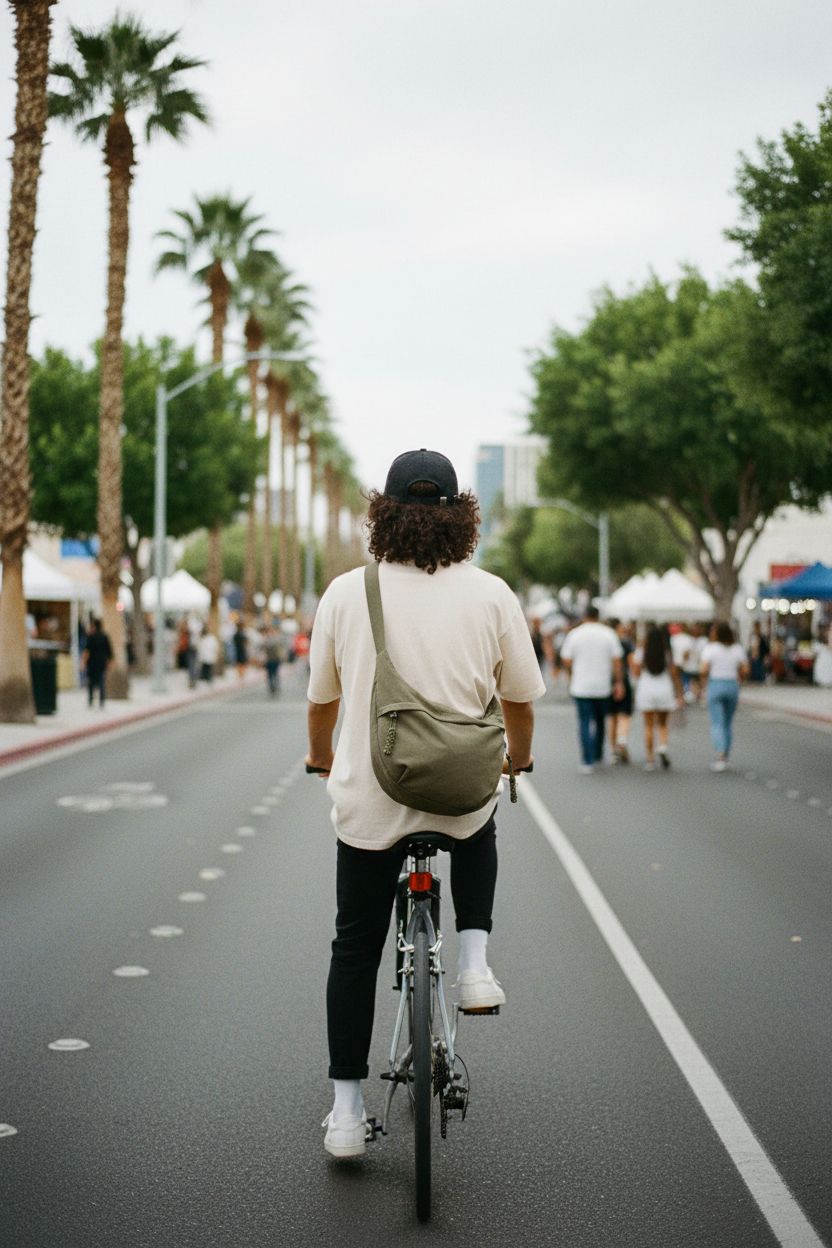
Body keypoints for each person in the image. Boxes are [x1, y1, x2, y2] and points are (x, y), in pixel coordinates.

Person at [306, 448, 545, 1160]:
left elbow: (322, 701)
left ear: (382, 511)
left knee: (354, 949)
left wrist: (323, 760)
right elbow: (522, 699)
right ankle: (473, 964)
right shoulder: (493, 594)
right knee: (479, 824)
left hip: (372, 803)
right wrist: (517, 760)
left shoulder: (348, 593)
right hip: (460, 792)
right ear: (460, 516)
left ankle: (347, 1116)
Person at [559, 608, 624, 773]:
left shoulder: (575, 634)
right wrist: (618, 682)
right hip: (602, 685)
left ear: (584, 616)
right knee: (601, 721)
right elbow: (617, 660)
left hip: (581, 685)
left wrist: (572, 673)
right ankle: (597, 753)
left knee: (584, 722)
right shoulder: (609, 634)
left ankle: (587, 759)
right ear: (598, 616)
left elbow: (566, 659)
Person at [630, 624, 683, 770]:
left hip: (647, 688)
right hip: (664, 688)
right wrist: (679, 694)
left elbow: (635, 671)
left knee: (648, 725)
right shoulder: (667, 652)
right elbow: (674, 673)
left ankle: (650, 759)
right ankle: (663, 747)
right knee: (663, 724)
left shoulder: (642, 651)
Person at [700, 622, 749, 771]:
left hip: (715, 684)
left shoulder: (710, 649)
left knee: (717, 722)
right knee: (727, 722)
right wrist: (739, 679)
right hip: (732, 684)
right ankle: (726, 754)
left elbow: (703, 669)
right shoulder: (737, 649)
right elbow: (745, 669)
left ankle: (720, 754)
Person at [607, 619, 634, 763]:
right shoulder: (625, 643)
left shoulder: (606, 643)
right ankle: (622, 739)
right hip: (623, 681)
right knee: (624, 714)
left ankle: (613, 749)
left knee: (612, 717)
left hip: (607, 682)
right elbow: (631, 663)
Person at [82, 617, 113, 707]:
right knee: (101, 682)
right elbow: (109, 651)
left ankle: (91, 700)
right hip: (102, 663)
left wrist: (83, 662)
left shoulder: (91, 637)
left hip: (92, 663)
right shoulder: (105, 637)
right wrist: (109, 663)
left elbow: (87, 651)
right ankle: (101, 701)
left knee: (91, 682)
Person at [261, 623, 284, 695]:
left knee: (273, 673)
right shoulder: (275, 639)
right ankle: (273, 685)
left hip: (273, 659)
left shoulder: (266, 640)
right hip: (270, 659)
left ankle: (273, 685)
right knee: (273, 673)